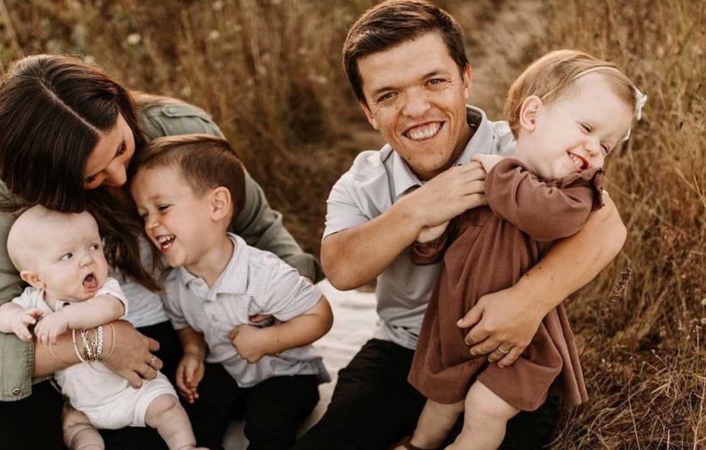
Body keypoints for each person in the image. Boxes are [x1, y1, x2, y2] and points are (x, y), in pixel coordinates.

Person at [292, 2, 629, 449]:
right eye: (388, 95)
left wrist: (527, 302)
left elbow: (608, 227)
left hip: (503, 348)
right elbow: (340, 269)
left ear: (465, 78)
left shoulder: (524, 149)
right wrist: (419, 209)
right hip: (405, 349)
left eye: (434, 82)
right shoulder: (363, 182)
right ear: (369, 111)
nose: (416, 108)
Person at [0, 54, 321, 450]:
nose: (119, 176)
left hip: (165, 335)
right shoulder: (8, 187)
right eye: (90, 177)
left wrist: (276, 306)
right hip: (52, 346)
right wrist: (98, 341)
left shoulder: (178, 132)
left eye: (122, 148)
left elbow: (263, 233)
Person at [398, 50, 644, 450]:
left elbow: (543, 217)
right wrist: (432, 236)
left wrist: (497, 175)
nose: (594, 149)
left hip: (524, 341)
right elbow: (440, 250)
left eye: (606, 145)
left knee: (484, 408)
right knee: (441, 401)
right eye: (586, 128)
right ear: (532, 116)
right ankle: (419, 444)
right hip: (459, 326)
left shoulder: (574, 194)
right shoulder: (485, 177)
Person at [130, 134, 333, 450]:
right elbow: (184, 324)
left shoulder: (263, 273)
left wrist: (267, 340)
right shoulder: (174, 284)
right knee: (192, 409)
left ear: (217, 205)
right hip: (228, 371)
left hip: (285, 373)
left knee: (267, 423)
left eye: (162, 207)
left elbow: (319, 315)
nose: (151, 224)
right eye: (144, 214)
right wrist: (194, 352)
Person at [0, 206, 206, 450]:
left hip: (132, 392)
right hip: (83, 406)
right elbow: (2, 314)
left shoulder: (105, 291)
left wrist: (65, 318)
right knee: (74, 427)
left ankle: (185, 446)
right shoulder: (34, 301)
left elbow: (108, 309)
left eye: (94, 246)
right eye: (67, 256)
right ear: (36, 279)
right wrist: (15, 318)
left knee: (167, 407)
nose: (87, 259)